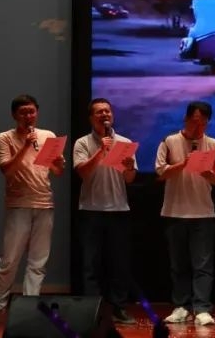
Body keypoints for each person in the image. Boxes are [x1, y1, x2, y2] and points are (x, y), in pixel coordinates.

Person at [0, 94, 65, 323]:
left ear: (37, 112)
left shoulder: (48, 136)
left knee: (38, 261)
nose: (28, 116)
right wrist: (25, 146)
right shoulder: (5, 138)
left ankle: (30, 307)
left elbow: (57, 171)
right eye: (23, 112)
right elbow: (7, 170)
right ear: (14, 115)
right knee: (9, 260)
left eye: (32, 111)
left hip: (44, 203)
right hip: (19, 204)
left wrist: (58, 163)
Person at [154, 101, 215, 326]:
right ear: (185, 119)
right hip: (174, 211)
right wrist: (182, 165)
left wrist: (208, 174)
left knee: (203, 265)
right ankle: (181, 307)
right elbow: (160, 173)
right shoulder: (169, 141)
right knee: (178, 265)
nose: (198, 127)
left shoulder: (213, 144)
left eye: (203, 123)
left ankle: (202, 308)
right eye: (194, 122)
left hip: (203, 213)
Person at [73, 98, 138, 325]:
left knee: (119, 263)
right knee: (91, 264)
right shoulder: (82, 143)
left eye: (107, 111)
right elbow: (82, 172)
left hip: (118, 209)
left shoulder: (124, 143)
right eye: (99, 112)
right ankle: (93, 311)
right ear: (91, 118)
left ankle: (119, 308)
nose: (104, 115)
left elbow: (129, 179)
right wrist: (101, 150)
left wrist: (129, 168)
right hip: (91, 210)